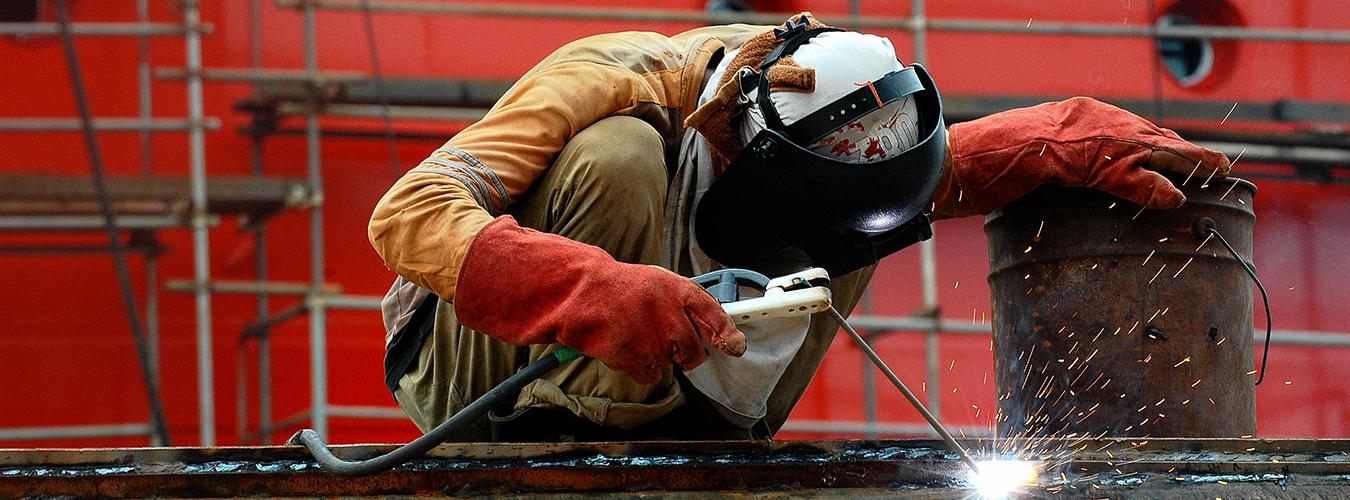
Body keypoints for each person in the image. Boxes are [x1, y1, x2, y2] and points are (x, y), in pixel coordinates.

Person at [368, 13, 1230, 442]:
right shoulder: (611, 78)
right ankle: (581, 433)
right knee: (618, 158)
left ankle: (709, 431)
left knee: (863, 214)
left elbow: (877, 176)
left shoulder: (829, 135)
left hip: (688, 394)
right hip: (476, 374)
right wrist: (586, 288)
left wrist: (1042, 139)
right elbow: (407, 215)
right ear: (753, 155)